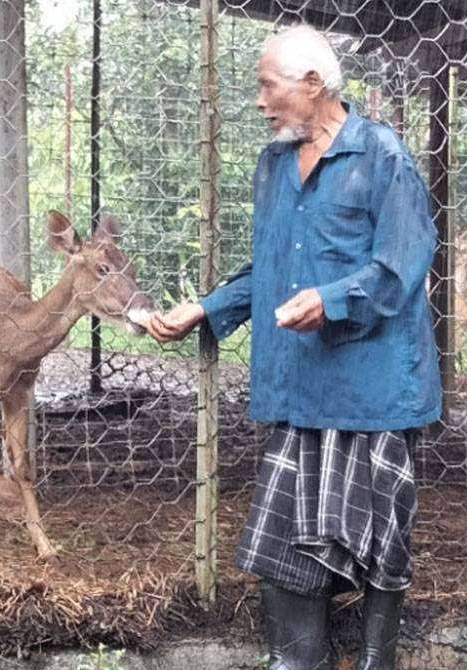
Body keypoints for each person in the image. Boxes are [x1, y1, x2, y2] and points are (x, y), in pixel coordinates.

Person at [146, 24, 442, 670]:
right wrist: (207, 306)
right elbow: (270, 267)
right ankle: (295, 661)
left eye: (267, 86)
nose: (259, 102)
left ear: (314, 84)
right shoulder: (275, 164)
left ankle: (375, 662)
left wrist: (332, 299)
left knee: (376, 545)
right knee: (284, 540)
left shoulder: (382, 157)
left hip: (371, 389)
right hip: (302, 387)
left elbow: (402, 265)